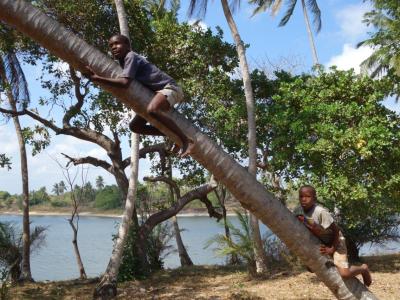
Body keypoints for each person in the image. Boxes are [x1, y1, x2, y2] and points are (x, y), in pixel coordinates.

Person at [84, 34, 194, 156]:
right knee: (135, 126)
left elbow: (125, 83)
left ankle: (186, 140)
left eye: (117, 43)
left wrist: (97, 78)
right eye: (111, 46)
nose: (113, 47)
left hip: (170, 88)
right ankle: (173, 135)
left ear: (127, 46)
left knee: (152, 109)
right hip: (157, 93)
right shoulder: (124, 62)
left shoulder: (130, 56)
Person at [294, 185, 372, 286]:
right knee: (310, 267)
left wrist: (332, 249)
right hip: (321, 242)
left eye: (308, 196)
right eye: (301, 196)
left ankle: (363, 269)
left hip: (337, 242)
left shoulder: (320, 212)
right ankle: (335, 262)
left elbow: (336, 231)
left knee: (345, 273)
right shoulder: (298, 211)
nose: (304, 199)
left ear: (315, 198)